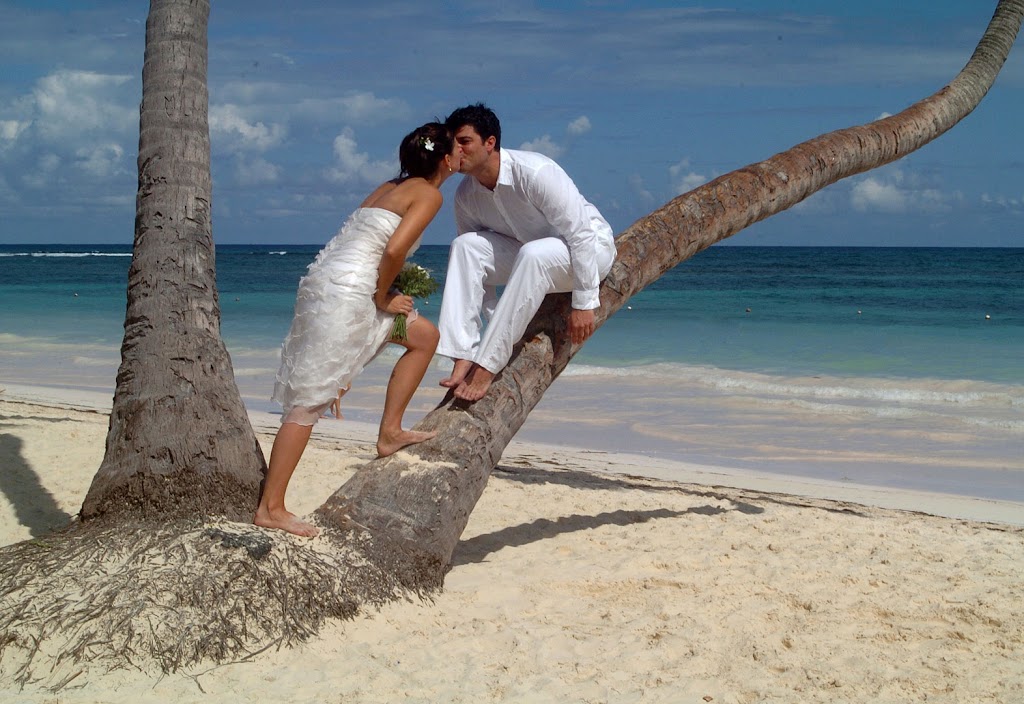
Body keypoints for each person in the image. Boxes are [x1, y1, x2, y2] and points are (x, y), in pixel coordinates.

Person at [254, 122, 461, 538]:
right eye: (456, 147)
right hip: (352, 290)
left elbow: (356, 240)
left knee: (424, 337)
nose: (461, 154)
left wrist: (386, 290)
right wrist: (383, 297)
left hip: (329, 279)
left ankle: (390, 432)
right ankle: (270, 508)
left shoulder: (389, 186)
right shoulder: (429, 194)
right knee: (310, 401)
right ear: (445, 159)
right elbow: (394, 248)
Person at [436, 103, 616, 401]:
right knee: (465, 246)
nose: (457, 151)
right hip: (530, 256)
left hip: (589, 251)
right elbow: (474, 274)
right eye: (453, 143)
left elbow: (581, 234)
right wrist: (496, 318)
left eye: (464, 141)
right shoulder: (466, 195)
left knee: (535, 254)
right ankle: (462, 354)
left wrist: (584, 303)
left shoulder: (535, 172)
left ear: (490, 142)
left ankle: (487, 367)